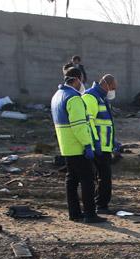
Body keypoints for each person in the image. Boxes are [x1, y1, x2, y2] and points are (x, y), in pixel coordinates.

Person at [51, 68, 105, 224]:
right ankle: (90, 214)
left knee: (72, 180)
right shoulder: (73, 98)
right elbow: (79, 126)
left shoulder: (57, 96)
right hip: (78, 146)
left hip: (66, 147)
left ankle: (74, 213)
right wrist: (88, 144)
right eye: (81, 80)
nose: (82, 84)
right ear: (76, 79)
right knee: (88, 180)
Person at [82, 74, 122, 215]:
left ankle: (100, 205)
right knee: (103, 178)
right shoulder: (91, 97)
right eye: (113, 88)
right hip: (97, 146)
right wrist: (95, 142)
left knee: (103, 177)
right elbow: (89, 122)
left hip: (105, 146)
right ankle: (101, 206)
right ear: (106, 84)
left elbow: (105, 124)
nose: (113, 91)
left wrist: (113, 142)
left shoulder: (100, 98)